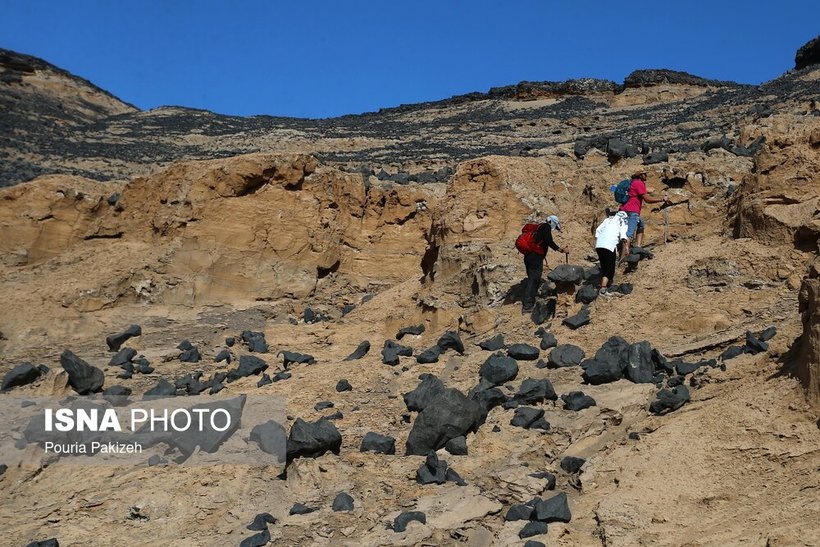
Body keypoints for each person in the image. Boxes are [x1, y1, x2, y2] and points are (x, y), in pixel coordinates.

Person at [522, 215, 568, 312]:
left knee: (531, 278)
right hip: (535, 257)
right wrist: (561, 250)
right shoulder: (546, 227)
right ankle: (527, 305)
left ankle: (529, 300)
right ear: (551, 222)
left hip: (528, 256)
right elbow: (549, 241)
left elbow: (543, 241)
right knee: (534, 279)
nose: (553, 228)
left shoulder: (539, 227)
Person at [619, 171, 666, 253]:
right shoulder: (638, 183)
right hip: (632, 211)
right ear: (640, 175)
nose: (646, 175)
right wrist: (661, 199)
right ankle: (624, 257)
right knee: (629, 234)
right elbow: (647, 200)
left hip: (624, 209)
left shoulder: (632, 182)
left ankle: (638, 247)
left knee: (641, 224)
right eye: (644, 174)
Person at [595, 209, 628, 297]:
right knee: (609, 268)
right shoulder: (622, 221)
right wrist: (626, 247)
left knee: (604, 265)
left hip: (599, 245)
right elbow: (623, 234)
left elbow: (598, 230)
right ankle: (603, 290)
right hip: (609, 245)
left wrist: (600, 239)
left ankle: (604, 285)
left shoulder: (607, 220)